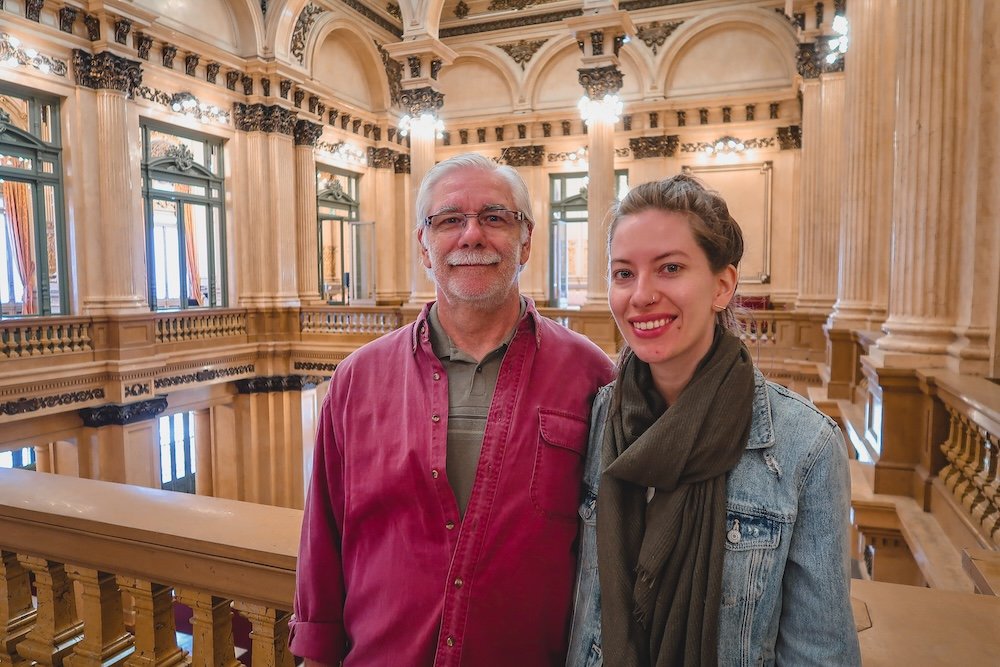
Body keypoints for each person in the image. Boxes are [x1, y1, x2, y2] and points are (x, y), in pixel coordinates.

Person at [290, 153, 615, 666]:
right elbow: (322, 539)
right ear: (424, 244)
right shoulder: (358, 379)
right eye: (449, 221)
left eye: (494, 218)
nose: (471, 236)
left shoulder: (592, 377)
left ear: (526, 239)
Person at [566, 175, 861, 666]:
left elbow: (819, 651)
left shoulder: (804, 447)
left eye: (670, 268)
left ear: (722, 285)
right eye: (623, 273)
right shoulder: (597, 416)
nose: (640, 295)